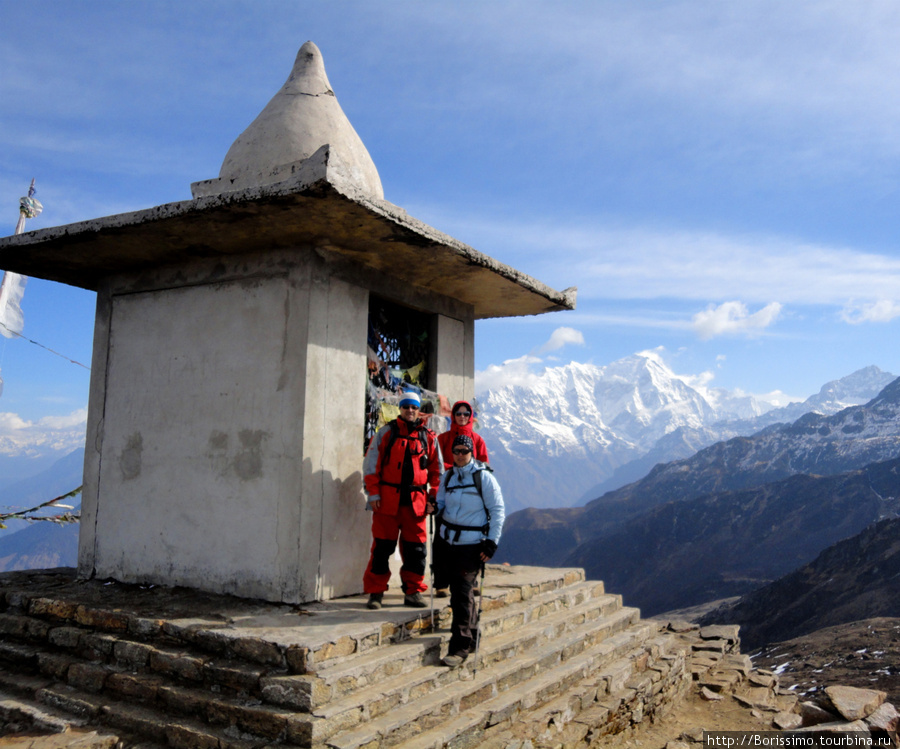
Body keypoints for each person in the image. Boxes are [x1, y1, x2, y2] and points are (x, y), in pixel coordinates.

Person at [363, 390, 443, 610]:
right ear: (401, 408)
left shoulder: (428, 437)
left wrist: (433, 498)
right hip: (386, 503)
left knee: (416, 551)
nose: (410, 410)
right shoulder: (386, 433)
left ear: (419, 411)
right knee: (381, 549)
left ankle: (413, 591)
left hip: (416, 504)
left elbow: (438, 473)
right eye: (406, 406)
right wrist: (374, 494)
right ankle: (376, 592)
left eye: (414, 407)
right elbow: (371, 466)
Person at [433, 433, 505, 668]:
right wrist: (433, 506)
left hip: (472, 545)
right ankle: (472, 637)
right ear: (451, 453)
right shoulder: (448, 476)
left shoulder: (483, 477)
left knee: (462, 595)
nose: (460, 455)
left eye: (465, 451)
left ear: (472, 452)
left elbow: (497, 510)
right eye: (456, 451)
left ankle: (460, 648)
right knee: (459, 593)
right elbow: (441, 504)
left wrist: (491, 542)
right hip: (447, 542)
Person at [433, 401, 489, 597]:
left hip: (472, 498)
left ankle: (471, 580)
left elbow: (483, 468)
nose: (462, 416)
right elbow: (435, 464)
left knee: (473, 540)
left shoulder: (478, 440)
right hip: (446, 493)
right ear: (453, 415)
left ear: (471, 416)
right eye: (459, 413)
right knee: (441, 540)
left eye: (466, 413)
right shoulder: (443, 439)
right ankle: (441, 582)